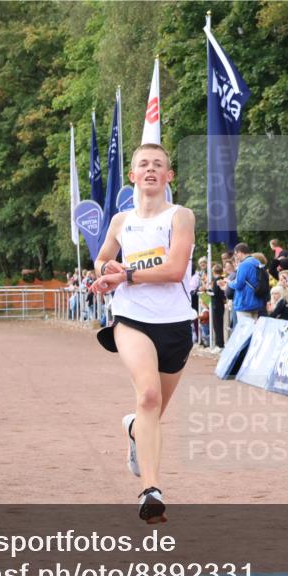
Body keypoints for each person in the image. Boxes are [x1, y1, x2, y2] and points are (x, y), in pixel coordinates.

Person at [90, 143, 195, 524]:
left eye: (158, 165)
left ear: (168, 177)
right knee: (148, 396)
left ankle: (133, 429)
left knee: (151, 414)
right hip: (131, 319)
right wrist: (105, 272)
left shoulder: (180, 216)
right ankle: (151, 490)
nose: (150, 169)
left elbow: (174, 269)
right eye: (143, 165)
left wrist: (127, 275)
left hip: (176, 325)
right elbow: (101, 260)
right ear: (132, 176)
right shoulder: (121, 222)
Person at [220, 243, 266, 323]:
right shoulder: (257, 262)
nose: (235, 257)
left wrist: (229, 283)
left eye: (235, 254)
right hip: (256, 301)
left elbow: (238, 284)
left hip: (244, 302)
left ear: (240, 252)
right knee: (253, 329)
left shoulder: (244, 264)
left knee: (244, 331)